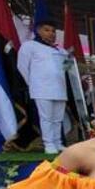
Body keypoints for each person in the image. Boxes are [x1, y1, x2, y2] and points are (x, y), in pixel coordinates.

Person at [17, 20, 69, 154]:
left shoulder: (61, 50)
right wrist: (33, 84)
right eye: (47, 30)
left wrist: (70, 57)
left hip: (60, 88)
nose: (51, 33)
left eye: (53, 31)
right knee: (46, 118)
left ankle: (58, 142)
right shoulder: (29, 46)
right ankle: (49, 144)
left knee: (58, 119)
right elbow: (22, 67)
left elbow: (66, 69)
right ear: (38, 31)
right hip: (42, 88)